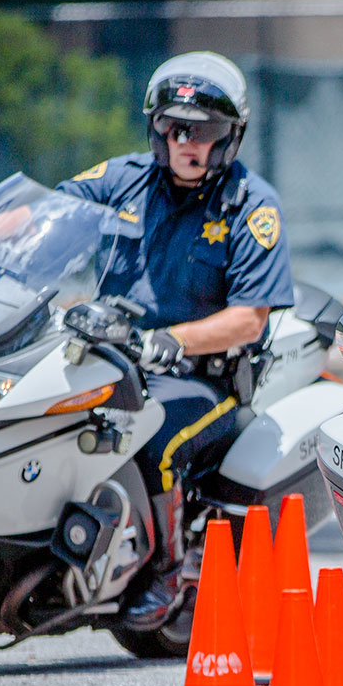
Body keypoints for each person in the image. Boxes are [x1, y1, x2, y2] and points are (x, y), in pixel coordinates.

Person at [57, 51, 295, 631]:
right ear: (158, 128)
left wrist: (168, 340)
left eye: (207, 132)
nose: (190, 143)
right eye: (177, 128)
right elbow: (48, 213)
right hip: (109, 361)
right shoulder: (123, 179)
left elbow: (249, 320)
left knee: (152, 437)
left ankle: (166, 570)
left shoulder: (251, 205)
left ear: (231, 136)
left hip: (197, 382)